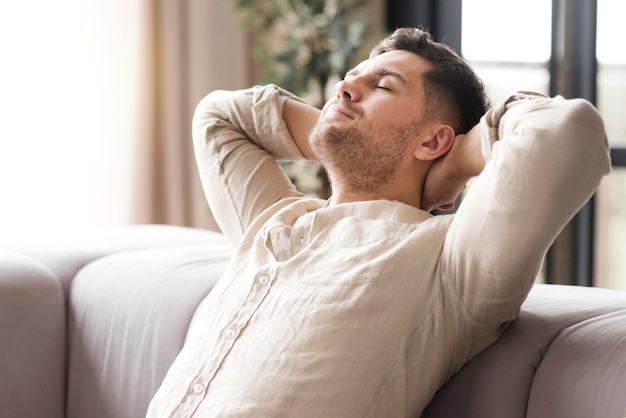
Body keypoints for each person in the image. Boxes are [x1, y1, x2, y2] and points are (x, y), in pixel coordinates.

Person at [147, 27, 610, 417]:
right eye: (350, 80)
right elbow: (220, 116)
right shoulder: (274, 219)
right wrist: (340, 134)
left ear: (434, 140)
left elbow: (570, 130)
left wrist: (452, 165)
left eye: (382, 86)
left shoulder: (446, 264)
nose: (345, 90)